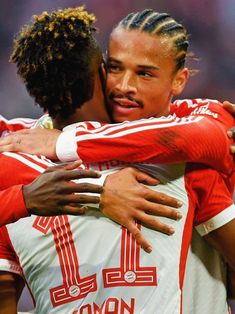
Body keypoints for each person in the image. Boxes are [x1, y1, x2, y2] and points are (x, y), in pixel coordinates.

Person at [0, 7, 234, 314]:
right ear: (97, 72)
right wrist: (98, 190)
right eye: (114, 68)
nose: (124, 86)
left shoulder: (13, 163)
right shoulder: (185, 160)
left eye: (144, 73)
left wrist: (63, 146)